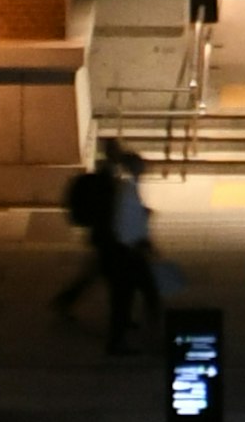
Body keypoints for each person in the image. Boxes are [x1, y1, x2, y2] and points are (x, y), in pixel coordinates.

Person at [95, 143, 163, 359]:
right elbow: (128, 223)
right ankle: (126, 341)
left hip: (125, 251)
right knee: (132, 297)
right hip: (128, 253)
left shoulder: (126, 187)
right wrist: (142, 241)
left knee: (128, 297)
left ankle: (125, 337)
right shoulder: (127, 189)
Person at [48, 141, 117, 329]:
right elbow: (108, 209)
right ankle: (66, 300)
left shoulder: (101, 177)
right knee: (110, 278)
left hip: (101, 236)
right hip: (106, 237)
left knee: (95, 274)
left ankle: (66, 300)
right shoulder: (106, 180)